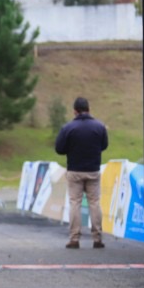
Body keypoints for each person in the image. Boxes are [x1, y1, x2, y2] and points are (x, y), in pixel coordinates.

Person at [55, 96, 109, 249]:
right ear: (88, 109)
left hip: (74, 171)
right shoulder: (99, 127)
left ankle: (74, 238)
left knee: (75, 203)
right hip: (93, 170)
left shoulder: (68, 128)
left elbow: (59, 149)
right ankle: (97, 238)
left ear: (75, 111)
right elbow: (104, 145)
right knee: (94, 203)